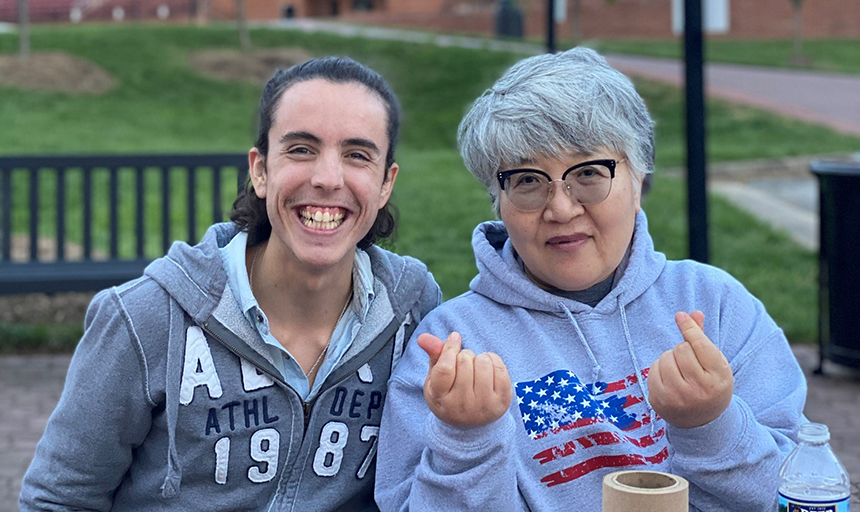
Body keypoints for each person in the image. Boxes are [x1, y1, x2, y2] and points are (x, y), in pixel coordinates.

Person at [374, 47, 806, 511]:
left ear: (638, 182)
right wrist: (465, 441)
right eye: (527, 180)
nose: (560, 208)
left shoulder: (717, 306)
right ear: (497, 201)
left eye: (588, 173)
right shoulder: (452, 348)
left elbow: (796, 491)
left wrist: (711, 424)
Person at [20, 56, 440, 512]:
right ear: (260, 171)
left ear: (385, 184)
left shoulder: (416, 313)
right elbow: (59, 498)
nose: (326, 178)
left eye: (358, 155)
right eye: (301, 149)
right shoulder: (145, 320)